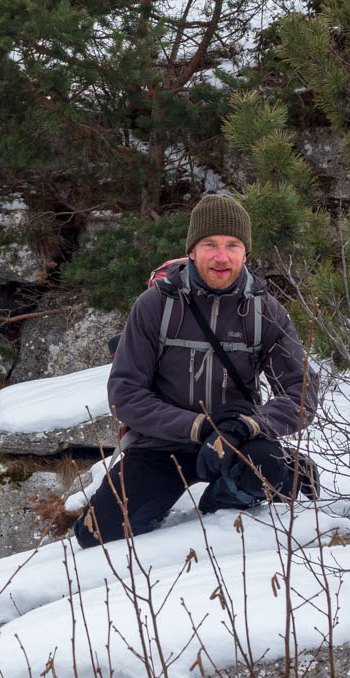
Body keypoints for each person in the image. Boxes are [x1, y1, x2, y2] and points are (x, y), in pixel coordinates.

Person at [73, 193, 318, 548]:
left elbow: (301, 391)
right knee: (97, 534)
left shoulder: (266, 310)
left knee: (275, 469)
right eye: (210, 244)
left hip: (236, 442)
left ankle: (221, 499)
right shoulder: (156, 305)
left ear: (245, 252)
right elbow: (126, 393)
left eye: (233, 245)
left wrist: (245, 426)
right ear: (192, 250)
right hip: (161, 445)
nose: (222, 257)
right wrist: (200, 427)